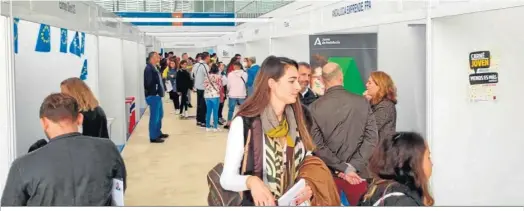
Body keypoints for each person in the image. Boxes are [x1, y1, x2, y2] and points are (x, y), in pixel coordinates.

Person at [220, 56, 315, 206]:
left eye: (298, 80)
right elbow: (226, 178)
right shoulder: (245, 123)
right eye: (291, 81)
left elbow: (307, 157)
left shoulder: (300, 117)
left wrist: (309, 184)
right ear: (272, 83)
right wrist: (251, 181)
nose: (298, 86)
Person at [1, 93, 126, 206]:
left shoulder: (22, 166)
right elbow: (119, 190)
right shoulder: (107, 148)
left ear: (44, 122)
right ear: (80, 119)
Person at [309, 62, 378, 203]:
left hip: (329, 177)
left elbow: (317, 146)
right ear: (341, 77)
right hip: (359, 177)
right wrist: (352, 167)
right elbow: (372, 138)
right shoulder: (362, 102)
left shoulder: (313, 108)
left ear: (322, 80)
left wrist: (344, 168)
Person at [359, 132, 434, 206]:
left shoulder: (380, 191)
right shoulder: (401, 202)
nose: (432, 164)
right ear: (411, 163)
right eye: (428, 157)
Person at [363, 71, 397, 142]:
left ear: (380, 86)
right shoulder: (375, 103)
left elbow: (369, 128)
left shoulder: (385, 106)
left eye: (369, 83)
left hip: (382, 150)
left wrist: (365, 103)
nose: (366, 85)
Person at [144, 51, 169, 143]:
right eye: (157, 57)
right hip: (153, 95)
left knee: (160, 115)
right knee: (154, 117)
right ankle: (153, 137)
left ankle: (158, 132)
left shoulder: (155, 67)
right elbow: (149, 83)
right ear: (152, 58)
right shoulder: (148, 69)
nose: (159, 58)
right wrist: (156, 90)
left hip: (157, 95)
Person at [224, 61, 247, 129]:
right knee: (243, 109)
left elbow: (228, 85)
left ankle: (228, 123)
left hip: (232, 94)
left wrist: (229, 90)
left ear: (235, 66)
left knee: (231, 110)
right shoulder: (245, 74)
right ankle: (244, 123)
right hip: (242, 94)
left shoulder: (230, 74)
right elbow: (245, 83)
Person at [192, 52, 211, 127]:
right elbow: (208, 76)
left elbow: (192, 75)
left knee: (199, 104)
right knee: (203, 105)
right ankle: (203, 121)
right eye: (209, 57)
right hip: (203, 88)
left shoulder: (196, 65)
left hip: (197, 87)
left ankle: (198, 120)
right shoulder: (205, 66)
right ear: (207, 57)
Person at [203, 64, 223, 132]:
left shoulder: (207, 76)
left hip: (207, 96)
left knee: (208, 112)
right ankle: (215, 127)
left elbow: (204, 85)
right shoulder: (218, 77)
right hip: (215, 96)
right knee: (215, 112)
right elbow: (220, 86)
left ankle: (207, 127)